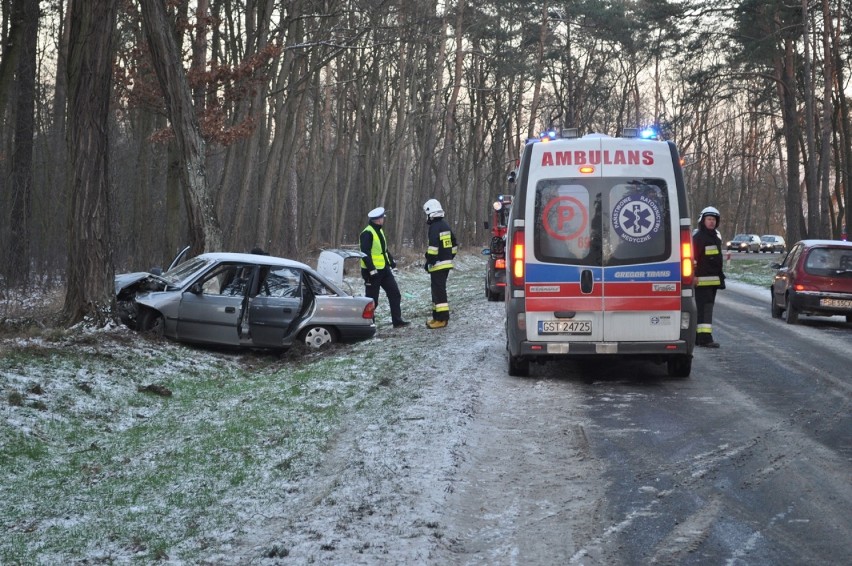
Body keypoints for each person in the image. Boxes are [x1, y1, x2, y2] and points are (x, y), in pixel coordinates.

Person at [360, 207, 409, 328]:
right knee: (372, 301)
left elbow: (383, 250)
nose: (383, 220)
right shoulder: (367, 233)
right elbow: (365, 253)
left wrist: (391, 261)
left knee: (395, 294)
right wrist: (371, 269)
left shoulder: (379, 231)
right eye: (382, 218)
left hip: (384, 269)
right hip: (372, 272)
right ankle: (369, 325)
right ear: (377, 220)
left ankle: (397, 321)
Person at [422, 199, 458, 329]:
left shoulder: (434, 228)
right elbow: (454, 244)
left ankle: (442, 319)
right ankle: (436, 317)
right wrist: (449, 257)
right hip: (445, 263)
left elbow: (433, 248)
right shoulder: (445, 225)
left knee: (439, 292)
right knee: (437, 290)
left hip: (437, 265)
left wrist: (429, 262)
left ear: (430, 213)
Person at [692, 206, 725, 348]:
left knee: (706, 309)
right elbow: (692, 259)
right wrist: (693, 275)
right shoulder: (698, 238)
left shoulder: (715, 238)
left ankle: (699, 338)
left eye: (713, 220)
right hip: (701, 282)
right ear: (703, 221)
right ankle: (704, 338)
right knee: (704, 310)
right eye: (709, 219)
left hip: (712, 282)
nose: (711, 222)